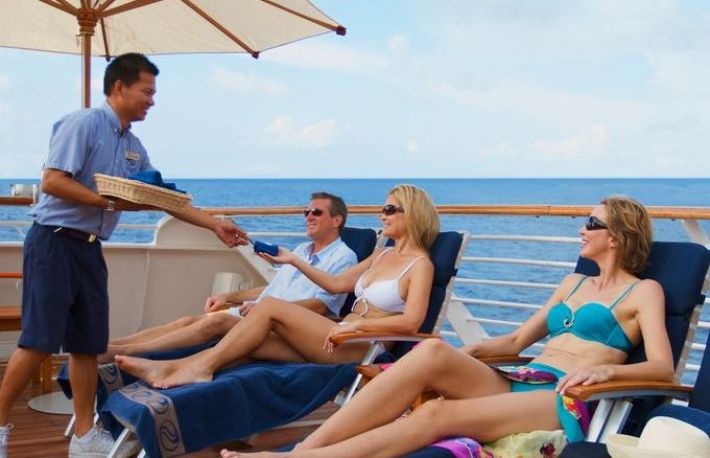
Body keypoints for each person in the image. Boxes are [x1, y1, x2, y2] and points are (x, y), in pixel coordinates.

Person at [220, 195, 675, 458]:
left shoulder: (643, 292)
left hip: (565, 396)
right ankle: (307, 449)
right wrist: (466, 354)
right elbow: (519, 340)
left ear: (617, 236)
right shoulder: (573, 282)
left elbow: (663, 369)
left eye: (592, 223)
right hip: (525, 376)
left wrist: (606, 371)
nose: (582, 229)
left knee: (435, 414)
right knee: (434, 351)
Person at [0, 53, 249, 458]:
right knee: (39, 341)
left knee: (87, 344)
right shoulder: (83, 124)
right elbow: (53, 182)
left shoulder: (133, 147)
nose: (152, 100)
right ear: (120, 87)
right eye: (147, 91)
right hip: (53, 242)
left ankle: (84, 436)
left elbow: (163, 199)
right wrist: (109, 202)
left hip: (89, 248)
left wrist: (214, 224)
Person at [116, 184, 439, 389]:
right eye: (383, 209)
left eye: (389, 209)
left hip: (361, 347)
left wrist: (358, 328)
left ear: (412, 214)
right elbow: (336, 283)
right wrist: (294, 260)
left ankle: (193, 368)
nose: (382, 215)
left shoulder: (420, 265)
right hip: (337, 334)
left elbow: (412, 322)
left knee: (269, 308)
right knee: (250, 343)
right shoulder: (381, 255)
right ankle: (168, 369)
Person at [100, 192, 358, 361]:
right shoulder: (300, 251)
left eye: (316, 213)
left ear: (337, 220)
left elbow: (320, 307)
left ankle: (127, 352)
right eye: (306, 212)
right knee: (186, 321)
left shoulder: (344, 258)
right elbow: (273, 289)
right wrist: (230, 297)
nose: (308, 217)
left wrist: (267, 311)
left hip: (280, 326)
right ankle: (111, 345)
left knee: (213, 323)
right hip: (260, 313)